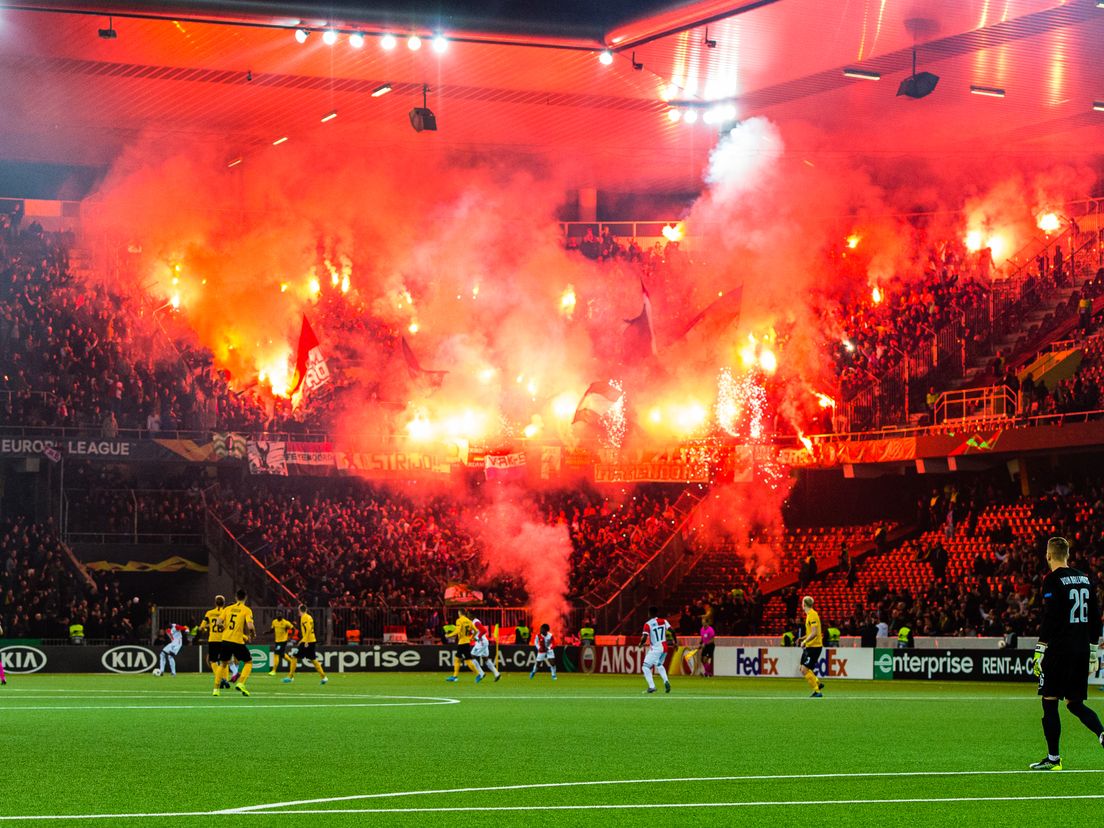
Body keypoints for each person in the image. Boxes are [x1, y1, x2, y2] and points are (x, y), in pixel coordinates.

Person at [1029, 537, 1104, 771]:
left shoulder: (1051, 580)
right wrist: (1093, 651)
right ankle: (1102, 734)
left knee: (1050, 702)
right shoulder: (1085, 578)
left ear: (1049, 555)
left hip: (1059, 651)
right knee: (1074, 703)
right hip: (1081, 649)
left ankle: (1054, 759)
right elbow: (1095, 615)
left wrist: (1040, 649)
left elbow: (1050, 617)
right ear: (1068, 554)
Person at [218, 589, 256, 697]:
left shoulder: (227, 609)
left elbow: (218, 623)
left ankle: (217, 687)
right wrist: (252, 634)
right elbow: (249, 626)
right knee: (247, 661)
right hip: (236, 640)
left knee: (223, 663)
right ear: (246, 597)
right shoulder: (246, 610)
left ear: (235, 597)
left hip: (224, 639)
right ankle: (240, 682)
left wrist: (223, 628)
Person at [284, 604, 328, 685]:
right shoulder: (309, 617)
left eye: (298, 610)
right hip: (312, 640)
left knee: (294, 656)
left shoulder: (304, 617)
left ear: (300, 610)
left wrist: (305, 640)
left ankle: (290, 677)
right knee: (313, 659)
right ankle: (324, 677)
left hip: (307, 641)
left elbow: (308, 629)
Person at [445, 610, 484, 683]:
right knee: (467, 660)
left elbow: (458, 631)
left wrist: (449, 635)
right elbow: (475, 630)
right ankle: (478, 674)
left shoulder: (459, 620)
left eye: (458, 613)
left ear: (459, 613)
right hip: (467, 642)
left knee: (458, 659)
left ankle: (455, 676)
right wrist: (471, 637)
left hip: (462, 643)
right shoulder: (469, 621)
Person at [640, 607, 672, 694]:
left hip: (656, 649)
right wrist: (675, 642)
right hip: (665, 648)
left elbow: (645, 637)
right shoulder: (664, 621)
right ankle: (666, 681)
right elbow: (672, 631)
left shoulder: (648, 624)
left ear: (649, 614)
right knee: (659, 664)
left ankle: (652, 687)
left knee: (645, 667)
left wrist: (641, 644)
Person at [799, 596, 825, 698]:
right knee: (802, 668)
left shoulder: (812, 615)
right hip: (811, 646)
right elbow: (812, 632)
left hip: (815, 646)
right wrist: (803, 638)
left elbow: (814, 633)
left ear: (804, 604)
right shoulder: (810, 615)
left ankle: (817, 691)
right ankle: (817, 683)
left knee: (804, 669)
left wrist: (805, 641)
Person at [199, 595, 227, 692]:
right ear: (224, 603)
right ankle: (225, 679)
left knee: (213, 661)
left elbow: (201, 627)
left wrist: (206, 627)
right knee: (224, 661)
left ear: (215, 603)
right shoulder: (226, 612)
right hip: (224, 639)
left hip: (213, 640)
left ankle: (220, 678)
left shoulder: (209, 613)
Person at [471, 617, 501, 682]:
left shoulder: (475, 622)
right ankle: (497, 674)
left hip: (481, 642)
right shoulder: (473, 622)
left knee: (471, 656)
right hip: (483, 642)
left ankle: (481, 673)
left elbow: (484, 630)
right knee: (485, 659)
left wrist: (478, 637)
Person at [269, 612, 295, 676]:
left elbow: (293, 629)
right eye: (278, 615)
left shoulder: (286, 623)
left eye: (280, 615)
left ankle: (274, 670)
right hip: (277, 641)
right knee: (282, 654)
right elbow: (272, 630)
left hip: (283, 641)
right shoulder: (274, 622)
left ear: (282, 616)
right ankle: (292, 662)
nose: (279, 616)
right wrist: (267, 632)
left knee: (276, 653)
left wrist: (290, 637)